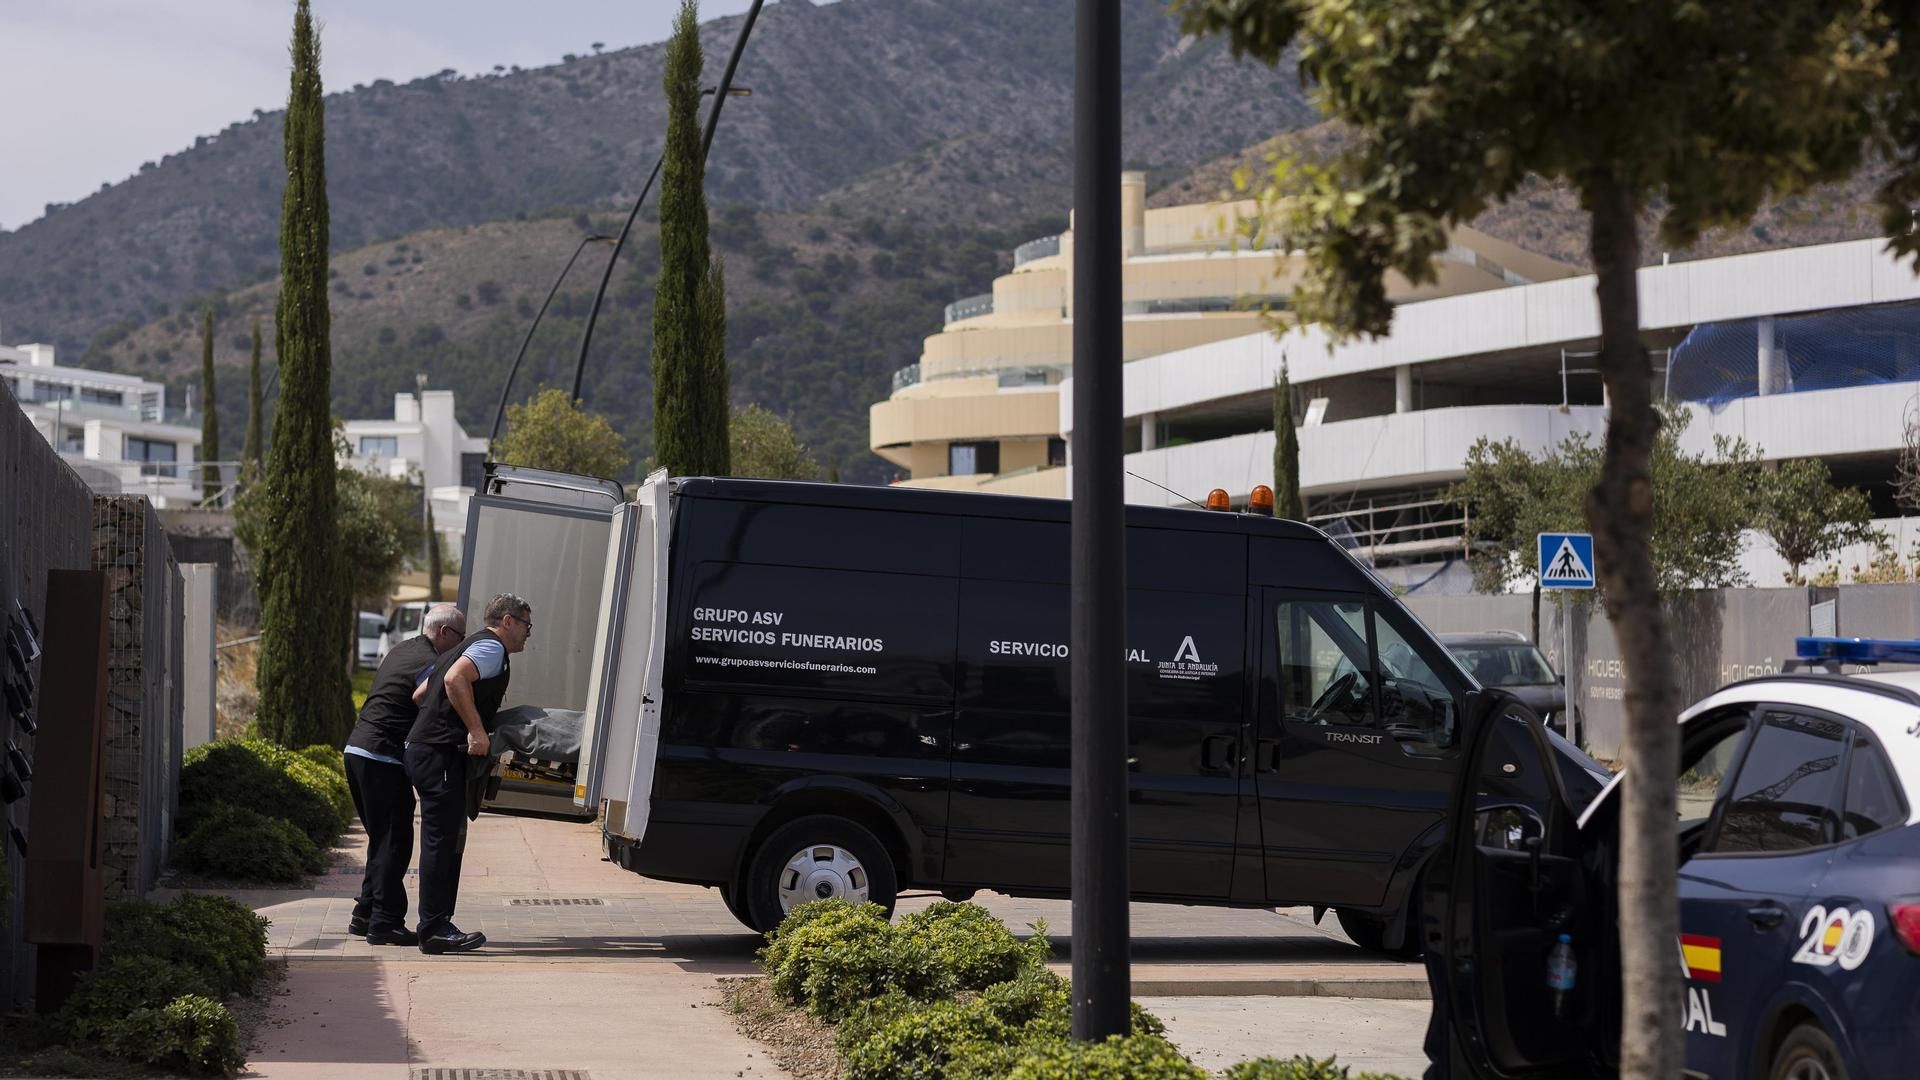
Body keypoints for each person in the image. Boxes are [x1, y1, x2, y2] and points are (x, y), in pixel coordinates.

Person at [404, 592, 533, 955]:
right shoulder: (491, 648)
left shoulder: (465, 646)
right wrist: (475, 730)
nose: (528, 633)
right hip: (439, 754)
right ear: (507, 621)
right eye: (526, 625)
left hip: (425, 750)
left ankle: (438, 924)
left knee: (444, 839)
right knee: (441, 842)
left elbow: (420, 694)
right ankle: (433, 929)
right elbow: (454, 681)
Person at [344, 602, 466, 945]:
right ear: (444, 633)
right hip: (382, 756)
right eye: (460, 637)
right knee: (396, 842)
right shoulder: (432, 661)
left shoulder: (403, 648)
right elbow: (424, 696)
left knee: (383, 839)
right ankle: (386, 922)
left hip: (358, 751)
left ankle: (365, 912)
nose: (462, 645)